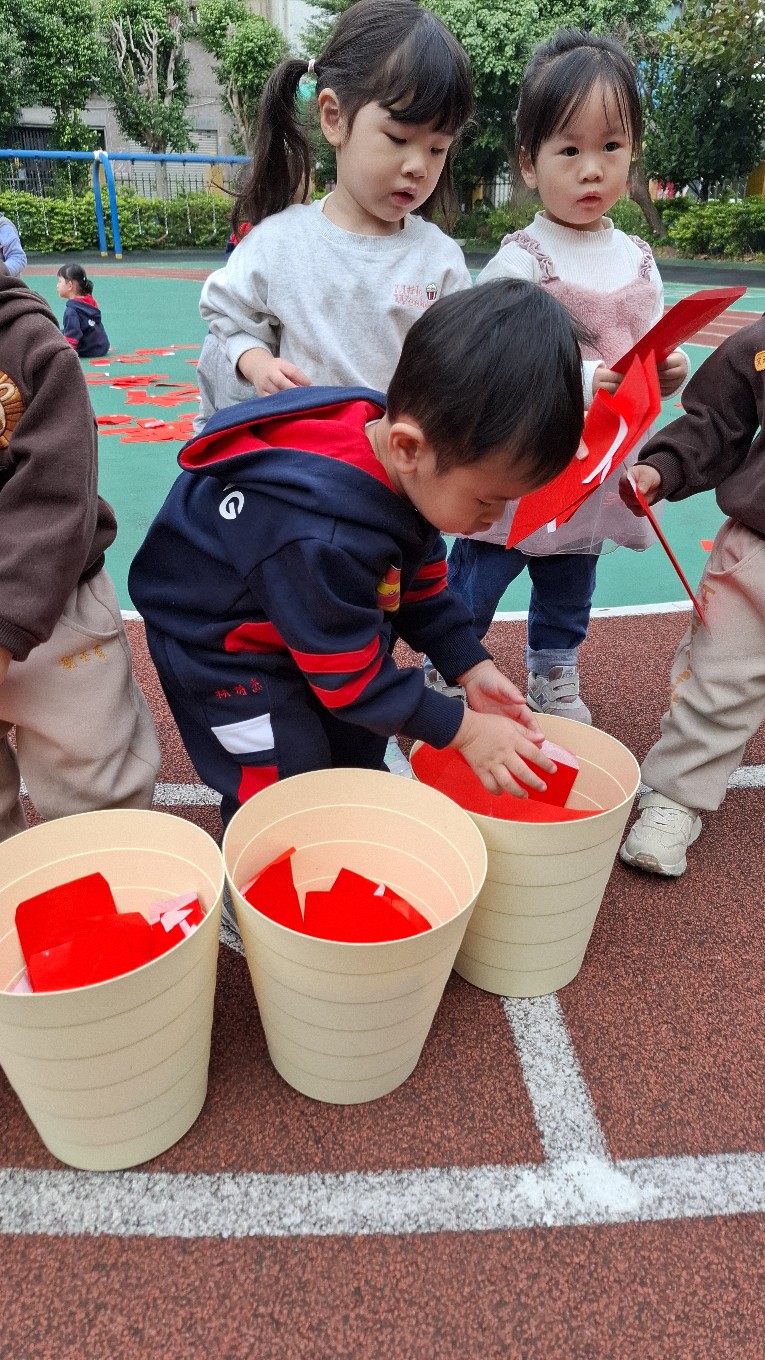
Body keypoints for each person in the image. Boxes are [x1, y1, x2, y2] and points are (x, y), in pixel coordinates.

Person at [129, 281, 587, 829]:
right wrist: (464, 731)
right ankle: (264, 873)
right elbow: (351, 681)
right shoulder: (323, 535)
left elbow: (418, 586)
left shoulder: (408, 465)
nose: (496, 518)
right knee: (286, 782)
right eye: (488, 500)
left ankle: (343, 838)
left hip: (311, 617)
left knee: (358, 746)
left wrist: (470, 665)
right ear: (408, 447)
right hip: (225, 650)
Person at [442, 30, 689, 725]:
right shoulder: (522, 259)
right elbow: (492, 354)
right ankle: (447, 660)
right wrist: (581, 379)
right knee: (483, 568)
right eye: (569, 150)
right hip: (526, 454)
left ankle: (553, 667)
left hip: (597, 462)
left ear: (632, 153)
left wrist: (667, 370)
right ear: (529, 162)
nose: (591, 170)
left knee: (571, 573)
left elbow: (646, 346)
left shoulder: (637, 258)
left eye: (610, 147)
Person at [194, 0, 474, 429]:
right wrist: (256, 364)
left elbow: (459, 369)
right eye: (399, 138)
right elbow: (228, 315)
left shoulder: (440, 262)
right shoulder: (282, 243)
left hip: (394, 461)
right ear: (334, 118)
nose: (419, 165)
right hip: (305, 456)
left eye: (437, 148)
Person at [0, 265, 160, 841]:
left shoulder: (25, 342)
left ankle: (114, 872)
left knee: (97, 789)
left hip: (52, 601)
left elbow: (56, 492)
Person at [619, 316, 765, 877]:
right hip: (759, 543)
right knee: (719, 677)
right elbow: (717, 419)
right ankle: (676, 795)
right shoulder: (760, 345)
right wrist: (664, 466)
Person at [56, 263, 110, 358]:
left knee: (54, 339)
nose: (57, 285)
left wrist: (66, 355)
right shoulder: (89, 301)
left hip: (87, 349)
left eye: (59, 281)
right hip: (101, 346)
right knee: (58, 332)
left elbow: (72, 336)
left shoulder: (71, 311)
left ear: (69, 285)